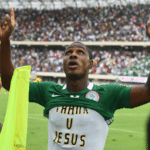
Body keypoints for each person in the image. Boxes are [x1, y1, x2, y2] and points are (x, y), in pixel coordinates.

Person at [1, 7, 150, 150]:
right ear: (63, 62)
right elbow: (10, 84)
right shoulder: (48, 90)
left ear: (90, 64)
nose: (73, 55)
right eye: (68, 53)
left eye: (80, 52)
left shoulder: (108, 94)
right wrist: (5, 40)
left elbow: (147, 92)